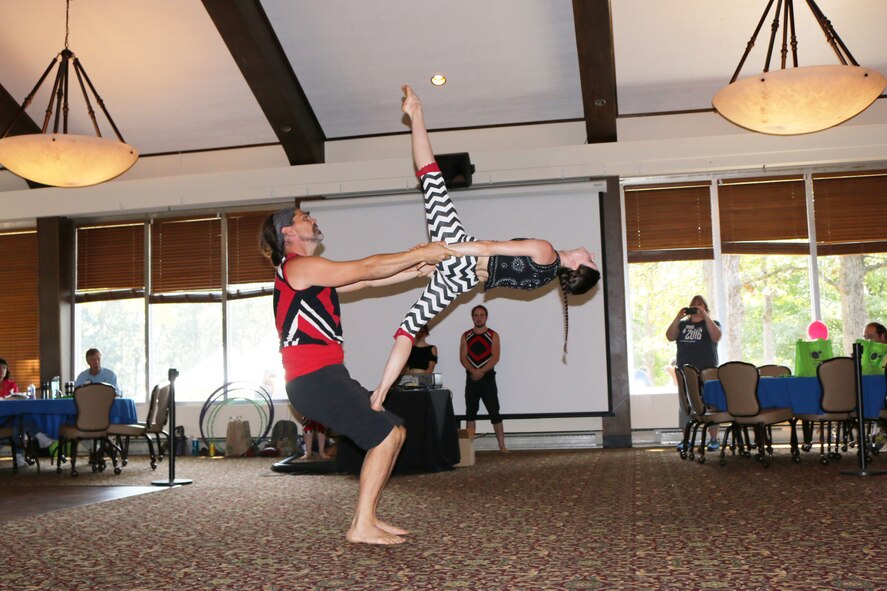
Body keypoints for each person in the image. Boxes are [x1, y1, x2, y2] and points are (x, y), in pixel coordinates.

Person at [371, 84, 600, 406]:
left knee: (432, 178)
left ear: (576, 265)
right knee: (408, 329)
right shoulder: (546, 279)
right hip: (462, 282)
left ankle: (416, 111)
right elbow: (490, 274)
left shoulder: (545, 251)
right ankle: (380, 393)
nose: (591, 253)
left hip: (462, 257)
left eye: (590, 259)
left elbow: (489, 248)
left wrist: (444, 251)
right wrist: (441, 263)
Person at [259, 205, 458, 545]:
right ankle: (361, 525)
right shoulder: (297, 267)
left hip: (325, 375)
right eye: (304, 217)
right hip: (313, 378)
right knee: (385, 435)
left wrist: (418, 270)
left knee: (395, 431)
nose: (312, 219)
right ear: (288, 233)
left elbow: (367, 279)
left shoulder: (312, 275)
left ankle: (368, 518)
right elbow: (366, 267)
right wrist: (420, 253)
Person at [666, 295, 722, 452]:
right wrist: (678, 317)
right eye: (693, 304)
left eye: (700, 304)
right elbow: (670, 336)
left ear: (705, 308)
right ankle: (686, 440)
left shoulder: (713, 323)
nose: (696, 306)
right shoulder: (682, 325)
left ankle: (714, 439)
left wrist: (705, 316)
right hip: (685, 373)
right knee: (685, 406)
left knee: (711, 404)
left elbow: (717, 336)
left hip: (707, 373)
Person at [460, 305, 507, 452]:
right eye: (476, 315)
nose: (479, 318)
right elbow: (462, 357)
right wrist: (473, 371)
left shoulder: (493, 335)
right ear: (472, 317)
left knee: (495, 413)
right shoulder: (466, 335)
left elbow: (495, 357)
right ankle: (468, 449)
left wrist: (481, 371)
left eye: (482, 315)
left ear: (486, 317)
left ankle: (502, 446)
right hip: (471, 379)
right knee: (470, 414)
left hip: (488, 379)